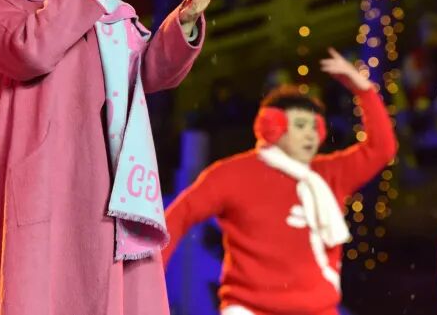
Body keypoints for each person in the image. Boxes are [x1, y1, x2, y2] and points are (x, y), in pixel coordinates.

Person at [0, 0, 215, 315]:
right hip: (44, 182)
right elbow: (32, 53)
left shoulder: (115, 17)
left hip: (107, 186)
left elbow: (150, 73)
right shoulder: (2, 7)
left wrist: (184, 23)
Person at [163, 48, 398, 315]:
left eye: (315, 127)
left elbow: (382, 149)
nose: (310, 135)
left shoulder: (330, 173)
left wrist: (363, 90)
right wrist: (147, 279)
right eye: (300, 125)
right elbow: (178, 216)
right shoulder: (233, 174)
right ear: (272, 127)